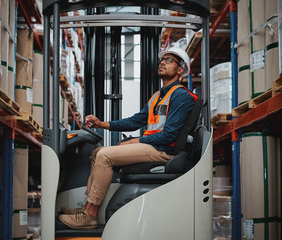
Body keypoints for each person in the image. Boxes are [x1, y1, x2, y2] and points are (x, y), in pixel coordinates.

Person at [59, 47, 198, 229]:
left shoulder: (181, 96)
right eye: (162, 60)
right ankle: (87, 208)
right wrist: (102, 124)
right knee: (97, 152)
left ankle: (90, 216)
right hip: (154, 146)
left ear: (180, 70)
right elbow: (134, 121)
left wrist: (137, 140)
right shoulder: (158, 96)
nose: (163, 62)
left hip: (164, 151)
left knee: (105, 156)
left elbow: (169, 135)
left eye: (169, 60)